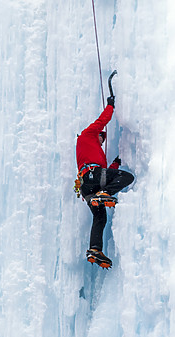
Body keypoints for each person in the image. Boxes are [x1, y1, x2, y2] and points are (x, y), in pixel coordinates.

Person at [76, 86, 134, 269]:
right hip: (93, 178)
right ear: (98, 135)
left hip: (87, 186)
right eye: (102, 139)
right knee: (126, 177)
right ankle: (104, 194)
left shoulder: (92, 152)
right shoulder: (88, 135)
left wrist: (115, 163)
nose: (102, 143)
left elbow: (105, 173)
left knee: (100, 217)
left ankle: (95, 249)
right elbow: (102, 121)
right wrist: (111, 105)